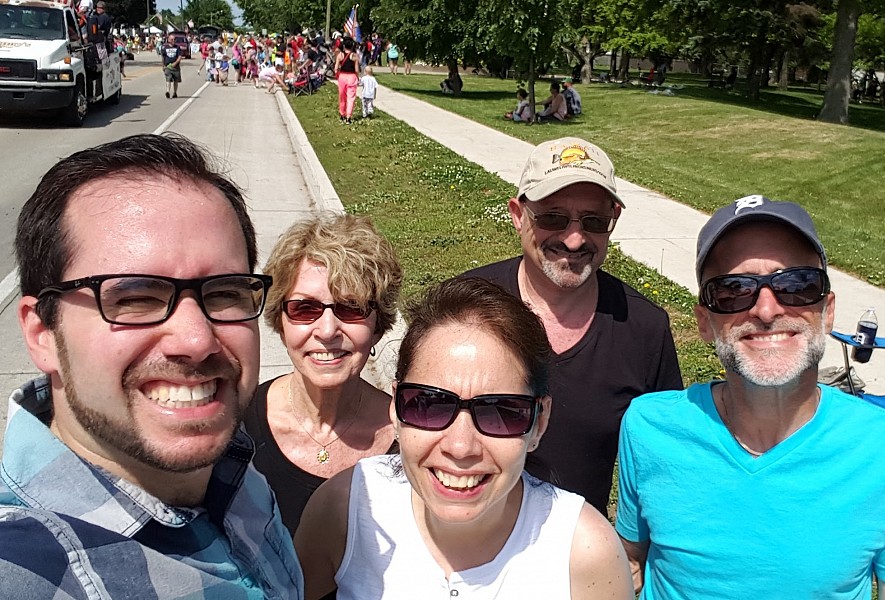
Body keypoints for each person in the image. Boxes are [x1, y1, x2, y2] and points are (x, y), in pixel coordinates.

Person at [2, 133, 304, 597]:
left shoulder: (234, 467)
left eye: (224, 292)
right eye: (136, 298)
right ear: (42, 332)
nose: (197, 340)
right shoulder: (26, 571)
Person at [616, 195, 885, 599]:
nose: (767, 310)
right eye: (733, 290)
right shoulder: (648, 427)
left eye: (796, 284)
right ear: (705, 322)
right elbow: (629, 562)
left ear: (827, 311)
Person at [295, 277, 634, 599]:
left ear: (539, 422)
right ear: (396, 409)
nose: (460, 447)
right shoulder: (346, 509)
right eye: (429, 404)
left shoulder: (584, 551)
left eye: (501, 412)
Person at [463, 137, 683, 514]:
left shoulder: (644, 328)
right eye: (552, 217)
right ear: (518, 215)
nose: (575, 238)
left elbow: (665, 465)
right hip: (462, 545)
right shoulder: (462, 308)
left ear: (612, 220)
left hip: (576, 559)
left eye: (594, 221)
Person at [243, 214, 402, 535]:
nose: (327, 330)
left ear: (377, 326)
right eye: (305, 309)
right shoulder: (237, 426)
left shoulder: (407, 439)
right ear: (280, 320)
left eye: (351, 308)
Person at [335, 37, 360, 124]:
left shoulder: (340, 55)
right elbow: (356, 70)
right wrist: (358, 77)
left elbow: (336, 68)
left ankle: (342, 114)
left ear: (344, 45)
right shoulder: (355, 56)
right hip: (352, 76)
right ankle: (348, 117)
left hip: (342, 76)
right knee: (351, 97)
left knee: (342, 96)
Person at [161, 32, 182, 99]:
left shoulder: (177, 47)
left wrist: (175, 63)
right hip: (168, 66)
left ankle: (175, 92)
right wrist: (163, 65)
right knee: (168, 79)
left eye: (174, 39)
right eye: (172, 39)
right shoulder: (165, 47)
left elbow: (179, 57)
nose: (173, 41)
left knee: (176, 81)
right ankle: (167, 91)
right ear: (168, 40)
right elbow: (163, 57)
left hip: (176, 67)